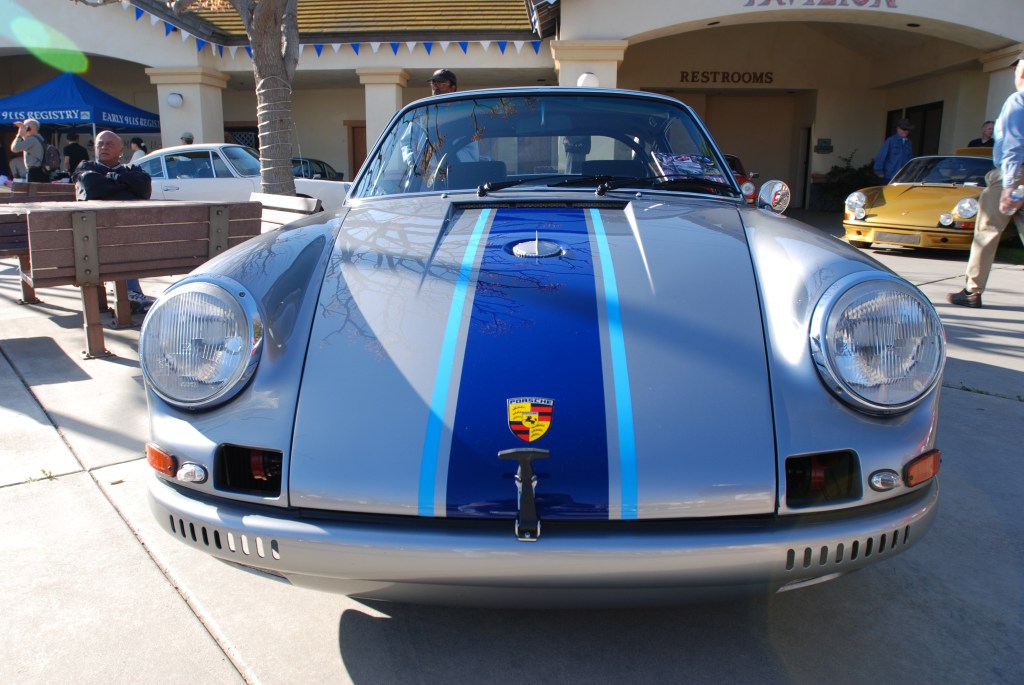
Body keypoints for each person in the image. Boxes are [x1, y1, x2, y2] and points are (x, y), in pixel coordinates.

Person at [948, 52, 1024, 308]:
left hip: (1011, 176)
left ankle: (972, 291)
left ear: (1021, 72)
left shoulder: (1018, 100)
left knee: (987, 232)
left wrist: (1009, 185)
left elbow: (1013, 145)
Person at [73, 130, 155, 313]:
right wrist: (126, 187)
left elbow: (144, 189)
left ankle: (130, 293)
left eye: (109, 144)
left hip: (128, 236)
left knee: (124, 240)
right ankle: (131, 293)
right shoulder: (86, 168)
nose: (104, 147)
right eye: (100, 144)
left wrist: (115, 178)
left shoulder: (131, 170)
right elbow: (91, 188)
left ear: (121, 150)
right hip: (93, 237)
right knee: (120, 243)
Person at [873, 117, 914, 184]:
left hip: (904, 177)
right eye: (903, 129)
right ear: (897, 128)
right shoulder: (891, 140)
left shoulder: (909, 142)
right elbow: (881, 155)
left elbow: (910, 159)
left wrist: (911, 172)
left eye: (907, 129)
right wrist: (879, 171)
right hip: (890, 176)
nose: (906, 131)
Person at [10, 118, 49, 182]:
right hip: (42, 170)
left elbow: (14, 148)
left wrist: (19, 135)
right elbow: (26, 143)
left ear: (29, 128)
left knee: (33, 188)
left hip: (34, 172)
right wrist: (24, 133)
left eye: (25, 127)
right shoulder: (40, 138)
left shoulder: (31, 140)